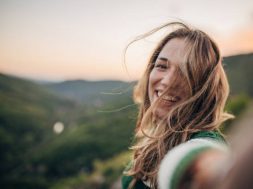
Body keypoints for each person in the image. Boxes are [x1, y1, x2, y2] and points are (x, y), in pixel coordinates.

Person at [121, 22, 234, 189]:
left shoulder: (205, 142)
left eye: (186, 71)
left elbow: (202, 163)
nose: (167, 81)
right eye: (162, 66)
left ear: (206, 89)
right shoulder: (154, 138)